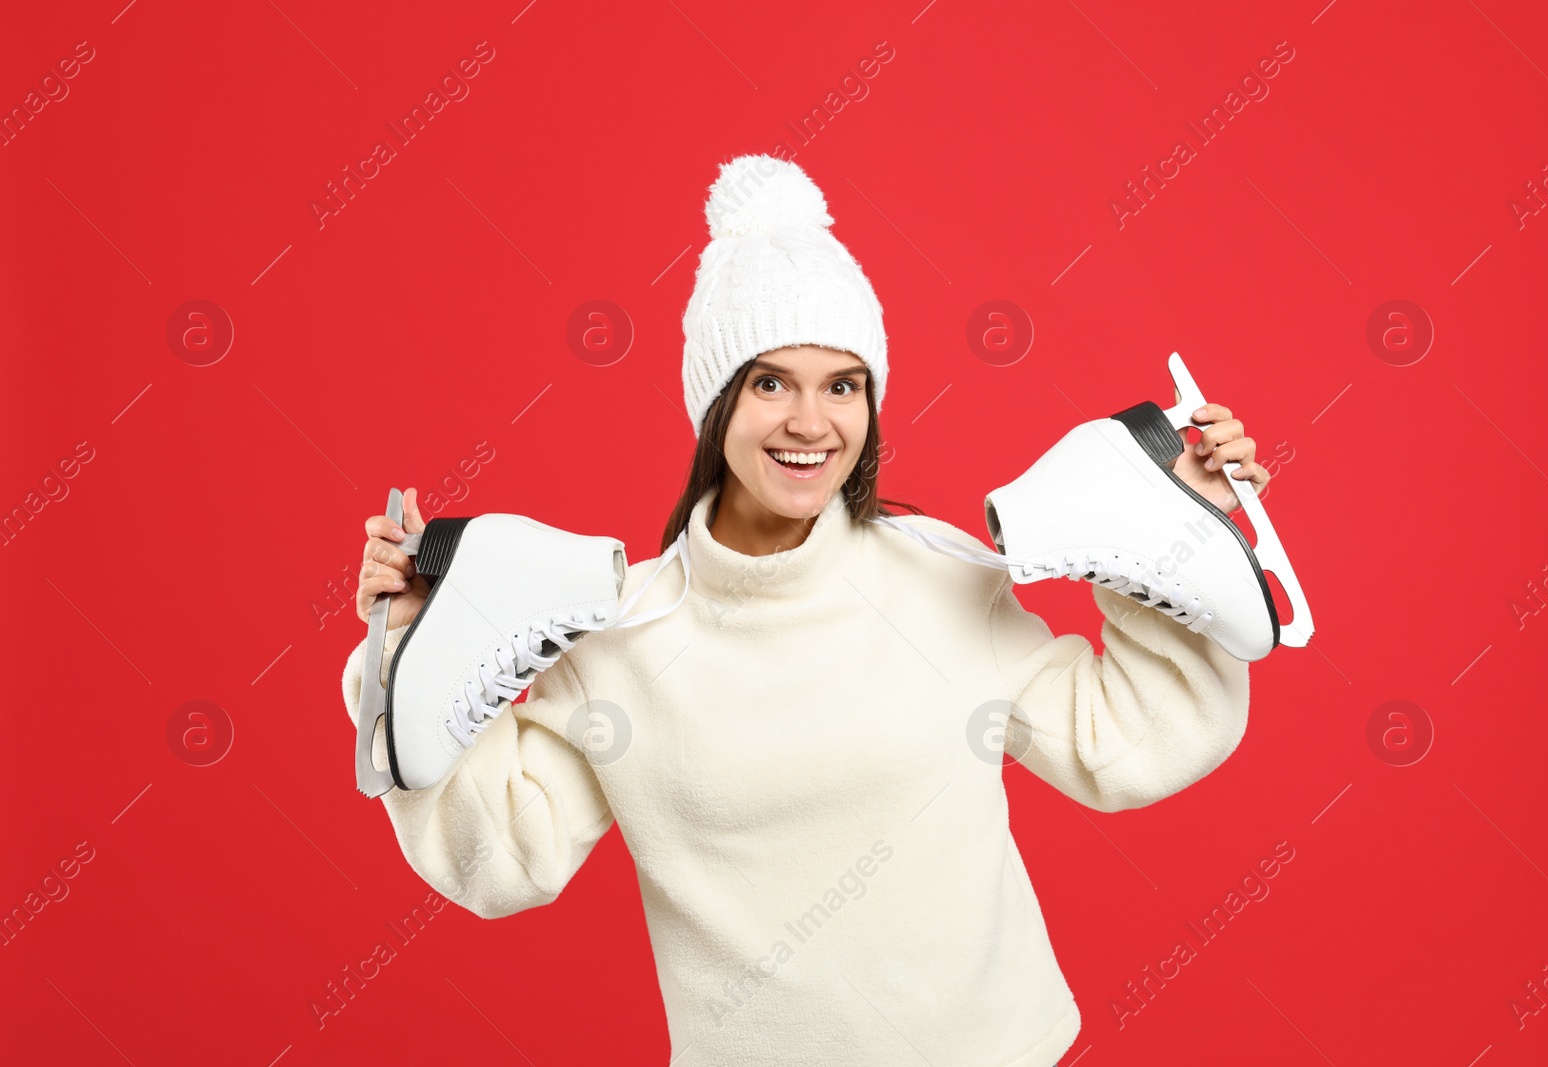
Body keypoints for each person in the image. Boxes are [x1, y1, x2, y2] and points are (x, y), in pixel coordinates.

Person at [340, 155, 1267, 1066]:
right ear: (716, 404)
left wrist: (1179, 541)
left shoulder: (939, 579)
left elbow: (1132, 738)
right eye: (771, 381)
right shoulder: (620, 637)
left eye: (843, 384)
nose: (810, 422)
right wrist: (410, 651)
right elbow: (502, 857)